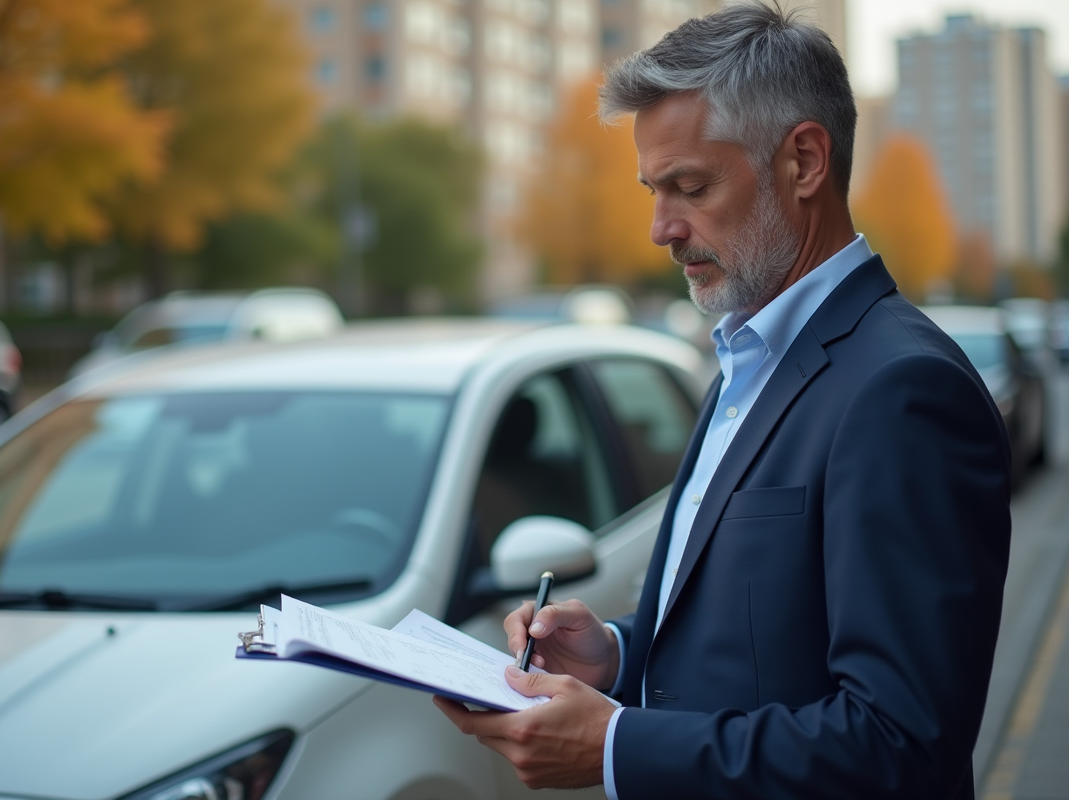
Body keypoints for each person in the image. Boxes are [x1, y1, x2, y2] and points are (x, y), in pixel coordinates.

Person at [434, 2, 1013, 798]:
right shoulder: (747, 360)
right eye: (652, 189)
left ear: (804, 161)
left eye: (690, 186)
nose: (659, 229)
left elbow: (901, 744)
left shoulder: (902, 393)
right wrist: (613, 653)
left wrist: (615, 748)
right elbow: (754, 645)